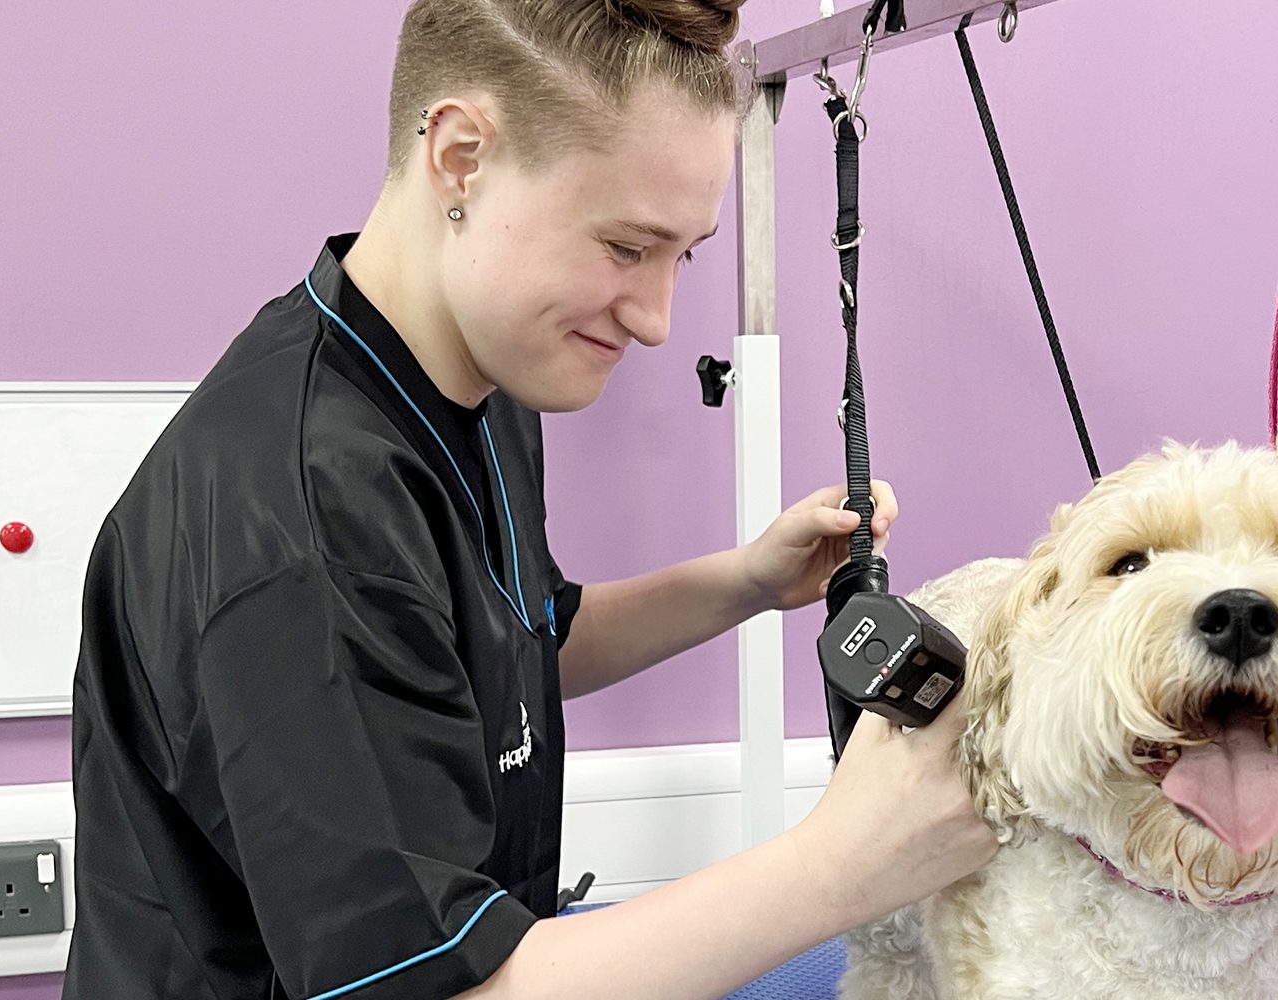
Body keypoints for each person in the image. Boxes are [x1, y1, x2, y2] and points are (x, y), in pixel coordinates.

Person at [64, 1, 999, 998]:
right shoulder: (302, 514)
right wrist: (845, 866)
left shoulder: (470, 377)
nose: (654, 318)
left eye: (681, 255)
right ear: (461, 158)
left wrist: (745, 580)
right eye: (626, 248)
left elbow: (520, 640)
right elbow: (442, 989)